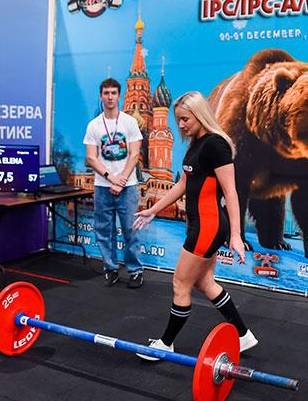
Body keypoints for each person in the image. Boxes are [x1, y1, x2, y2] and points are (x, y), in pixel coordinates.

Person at [133, 91, 257, 357]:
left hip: (208, 227)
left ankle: (165, 344)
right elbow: (182, 184)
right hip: (201, 226)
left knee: (180, 284)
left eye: (185, 119)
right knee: (205, 283)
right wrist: (153, 210)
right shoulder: (195, 144)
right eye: (178, 119)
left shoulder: (216, 145)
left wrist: (236, 236)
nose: (181, 125)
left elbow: (231, 192)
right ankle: (243, 335)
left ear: (200, 115)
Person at [84, 78, 145, 288]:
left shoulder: (129, 122)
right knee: (104, 230)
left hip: (128, 187)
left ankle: (135, 270)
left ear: (119, 96)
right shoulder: (94, 125)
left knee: (130, 230)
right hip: (103, 187)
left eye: (113, 93)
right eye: (106, 93)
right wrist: (111, 178)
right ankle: (110, 268)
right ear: (100, 96)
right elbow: (91, 157)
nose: (110, 97)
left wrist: (122, 180)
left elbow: (134, 154)